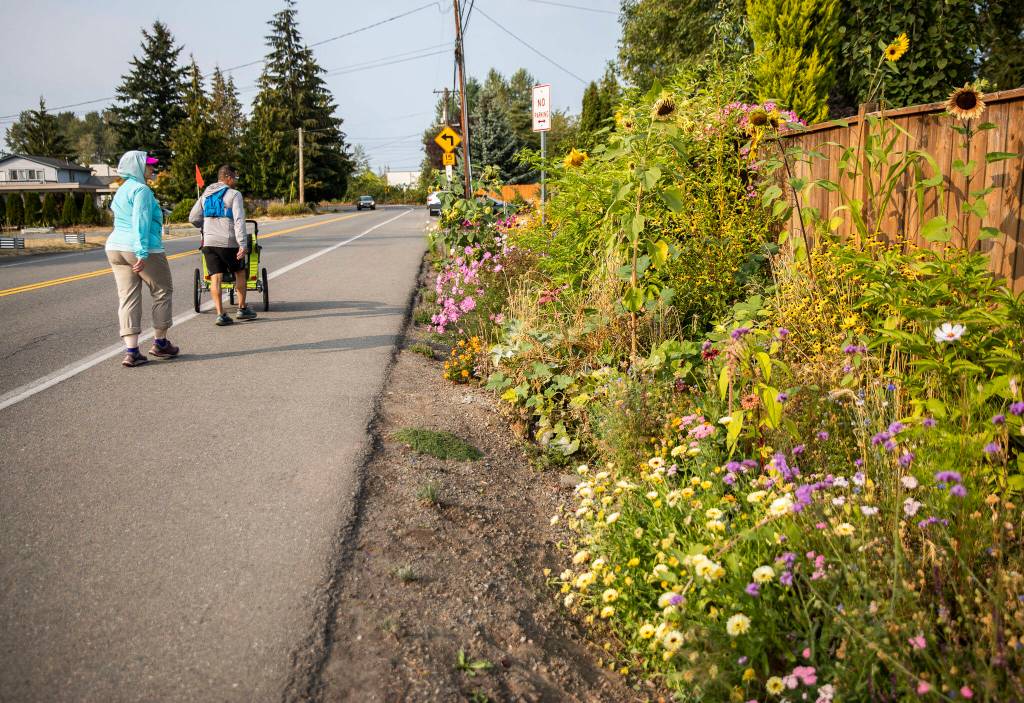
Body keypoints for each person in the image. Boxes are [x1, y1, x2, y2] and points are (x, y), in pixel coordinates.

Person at [105, 150, 178, 368]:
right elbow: (140, 222)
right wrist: (142, 251)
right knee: (162, 291)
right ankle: (160, 343)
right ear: (137, 167)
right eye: (148, 165)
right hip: (139, 247)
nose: (152, 168)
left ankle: (132, 351)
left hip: (114, 247)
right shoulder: (141, 190)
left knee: (128, 297)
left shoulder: (121, 191)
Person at [189, 165, 257, 326]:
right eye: (234, 177)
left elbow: (193, 217)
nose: (236, 181)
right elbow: (239, 220)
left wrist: (205, 226)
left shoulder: (205, 194)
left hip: (209, 242)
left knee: (216, 277)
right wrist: (242, 243)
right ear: (227, 177)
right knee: (240, 272)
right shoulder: (234, 195)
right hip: (228, 242)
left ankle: (221, 314)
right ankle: (241, 309)